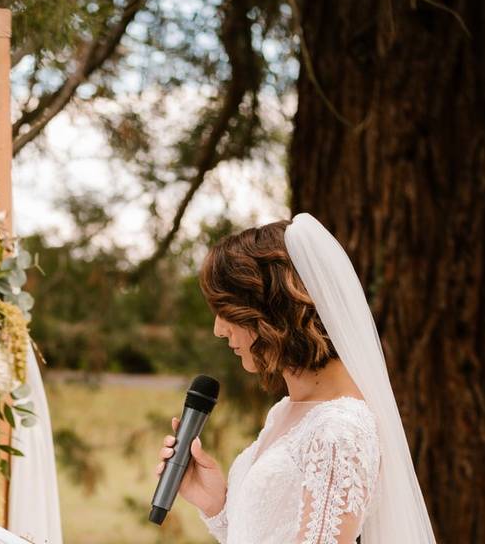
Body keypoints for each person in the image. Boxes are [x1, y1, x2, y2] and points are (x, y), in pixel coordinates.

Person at [155, 214, 437, 544]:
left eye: (226, 311)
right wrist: (216, 504)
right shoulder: (287, 410)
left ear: (271, 310)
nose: (219, 329)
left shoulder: (339, 432)